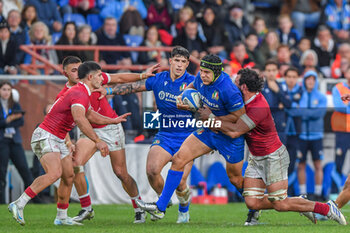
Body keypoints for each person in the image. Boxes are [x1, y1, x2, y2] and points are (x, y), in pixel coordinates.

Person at [213, 68, 346, 225]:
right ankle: (298, 202)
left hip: (273, 157)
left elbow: (235, 131)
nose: (233, 86)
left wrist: (208, 119)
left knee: (280, 204)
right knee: (252, 202)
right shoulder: (243, 100)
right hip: (256, 158)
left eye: (236, 83)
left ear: (244, 87)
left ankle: (326, 208)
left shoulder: (258, 106)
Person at [8, 61, 130, 226]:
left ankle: (61, 217)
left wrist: (112, 120)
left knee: (69, 175)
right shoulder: (80, 93)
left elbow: (90, 115)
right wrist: (98, 140)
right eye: (100, 75)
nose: (103, 78)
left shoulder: (82, 92)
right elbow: (80, 119)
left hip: (57, 137)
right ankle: (19, 203)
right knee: (54, 174)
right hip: (46, 135)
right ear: (90, 77)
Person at [136, 54, 246, 221]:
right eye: (201, 71)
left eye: (207, 72)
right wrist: (184, 96)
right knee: (179, 159)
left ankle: (255, 204)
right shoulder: (201, 78)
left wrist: (213, 118)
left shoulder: (228, 89)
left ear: (217, 73)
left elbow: (240, 118)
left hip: (228, 135)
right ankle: (161, 206)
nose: (203, 75)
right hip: (209, 130)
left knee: (236, 179)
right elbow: (193, 86)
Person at [56, 56, 159, 224]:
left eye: (79, 69)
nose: (77, 73)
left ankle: (138, 208)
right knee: (75, 165)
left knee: (121, 173)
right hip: (90, 131)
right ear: (65, 73)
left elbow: (118, 78)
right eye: (73, 70)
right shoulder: (65, 94)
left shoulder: (94, 79)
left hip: (111, 128)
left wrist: (142, 75)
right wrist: (68, 142)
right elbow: (61, 121)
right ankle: (87, 208)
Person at [109, 46, 195, 223]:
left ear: (187, 65)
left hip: (188, 139)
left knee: (180, 182)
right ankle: (165, 199)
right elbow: (134, 87)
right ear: (170, 61)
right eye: (176, 60)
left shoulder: (194, 82)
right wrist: (109, 91)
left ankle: (184, 209)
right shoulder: (159, 79)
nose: (179, 65)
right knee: (152, 170)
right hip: (165, 135)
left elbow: (206, 109)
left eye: (183, 62)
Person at [295, 71, 327, 201]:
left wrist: (303, 112)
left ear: (316, 82)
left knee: (318, 165)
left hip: (316, 136)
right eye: (308, 79)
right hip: (302, 136)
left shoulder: (321, 97)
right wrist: (308, 112)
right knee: (301, 165)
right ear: (304, 81)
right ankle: (303, 194)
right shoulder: (298, 96)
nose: (310, 82)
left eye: (313, 80)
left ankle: (318, 193)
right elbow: (294, 111)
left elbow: (319, 114)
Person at [0, 81, 33, 204]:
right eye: (4, 89)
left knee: (24, 169)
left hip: (14, 141)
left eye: (8, 89)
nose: (6, 92)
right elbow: (11, 121)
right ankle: (2, 202)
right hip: (2, 142)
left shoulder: (15, 104)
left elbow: (20, 122)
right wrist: (9, 119)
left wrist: (6, 121)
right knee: (1, 172)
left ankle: (33, 199)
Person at [282, 67, 303, 195]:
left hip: (295, 134)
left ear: (297, 78)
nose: (291, 79)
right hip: (281, 132)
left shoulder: (301, 90)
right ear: (285, 78)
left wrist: (285, 106)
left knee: (292, 163)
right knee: (280, 163)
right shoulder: (280, 90)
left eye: (294, 77)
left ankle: (289, 189)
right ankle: (280, 190)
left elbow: (299, 111)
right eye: (289, 76)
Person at [262, 60, 292, 144]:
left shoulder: (282, 86)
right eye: (268, 70)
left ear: (277, 71)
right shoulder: (260, 88)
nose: (271, 73)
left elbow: (288, 104)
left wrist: (277, 91)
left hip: (280, 126)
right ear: (264, 72)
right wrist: (277, 106)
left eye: (273, 70)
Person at [331, 66, 350, 193]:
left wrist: (347, 103)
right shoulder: (338, 88)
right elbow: (339, 107)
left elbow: (345, 106)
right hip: (342, 130)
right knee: (339, 160)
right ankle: (334, 191)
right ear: (346, 72)